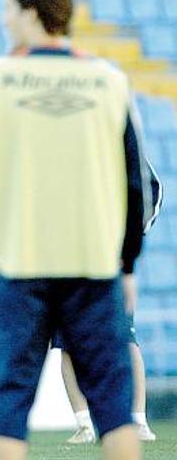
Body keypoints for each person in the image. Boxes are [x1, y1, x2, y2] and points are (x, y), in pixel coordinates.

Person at [0, 0, 150, 460]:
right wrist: (127, 263)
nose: (4, 19)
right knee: (113, 403)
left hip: (21, 259)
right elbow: (137, 184)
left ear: (29, 11)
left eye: (7, 8)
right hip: (93, 261)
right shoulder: (110, 81)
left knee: (11, 399)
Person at [56, 166, 162, 444]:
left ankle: (138, 419)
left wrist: (126, 244)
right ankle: (84, 423)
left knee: (124, 336)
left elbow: (152, 189)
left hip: (107, 257)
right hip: (62, 258)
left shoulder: (110, 132)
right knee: (66, 342)